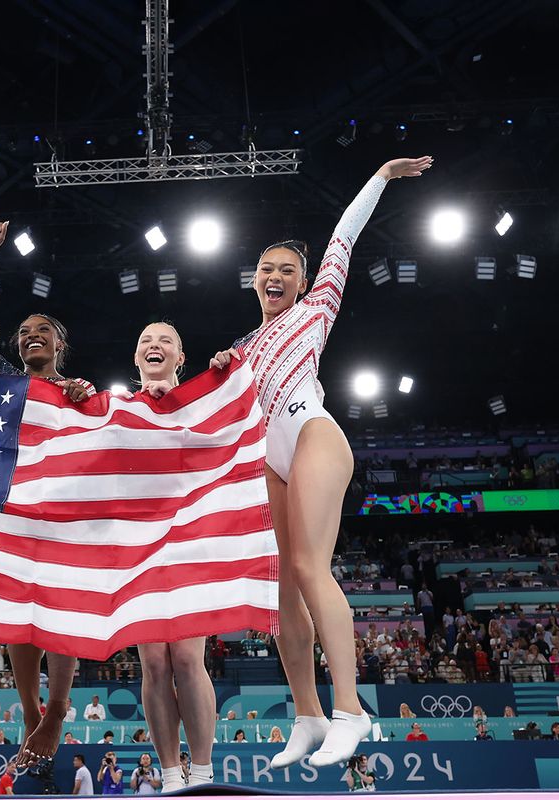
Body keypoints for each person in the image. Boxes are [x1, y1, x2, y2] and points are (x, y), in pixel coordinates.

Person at [212, 156, 433, 769]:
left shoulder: (316, 309)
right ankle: (307, 715)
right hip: (271, 459)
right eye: (267, 269)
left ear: (304, 282)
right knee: (281, 590)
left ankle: (350, 711)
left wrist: (381, 177)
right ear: (253, 281)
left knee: (310, 567)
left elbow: (344, 235)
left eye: (287, 270)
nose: (276, 275)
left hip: (313, 433)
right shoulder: (241, 349)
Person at [0, 220, 92, 768]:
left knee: (62, 609)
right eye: (22, 331)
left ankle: (59, 708)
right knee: (16, 613)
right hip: (11, 501)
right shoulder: (1, 378)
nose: (29, 334)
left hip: (65, 509)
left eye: (41, 329)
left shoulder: (79, 391)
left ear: (61, 343)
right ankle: (29, 710)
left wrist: (86, 399)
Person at [126, 322, 217, 792]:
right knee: (155, 664)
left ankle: (201, 771)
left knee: (185, 657)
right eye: (145, 341)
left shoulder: (204, 403)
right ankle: (169, 776)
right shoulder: (117, 408)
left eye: (164, 341)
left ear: (181, 357)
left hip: (189, 539)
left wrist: (224, 377)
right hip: (139, 546)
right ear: (136, 357)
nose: (154, 346)